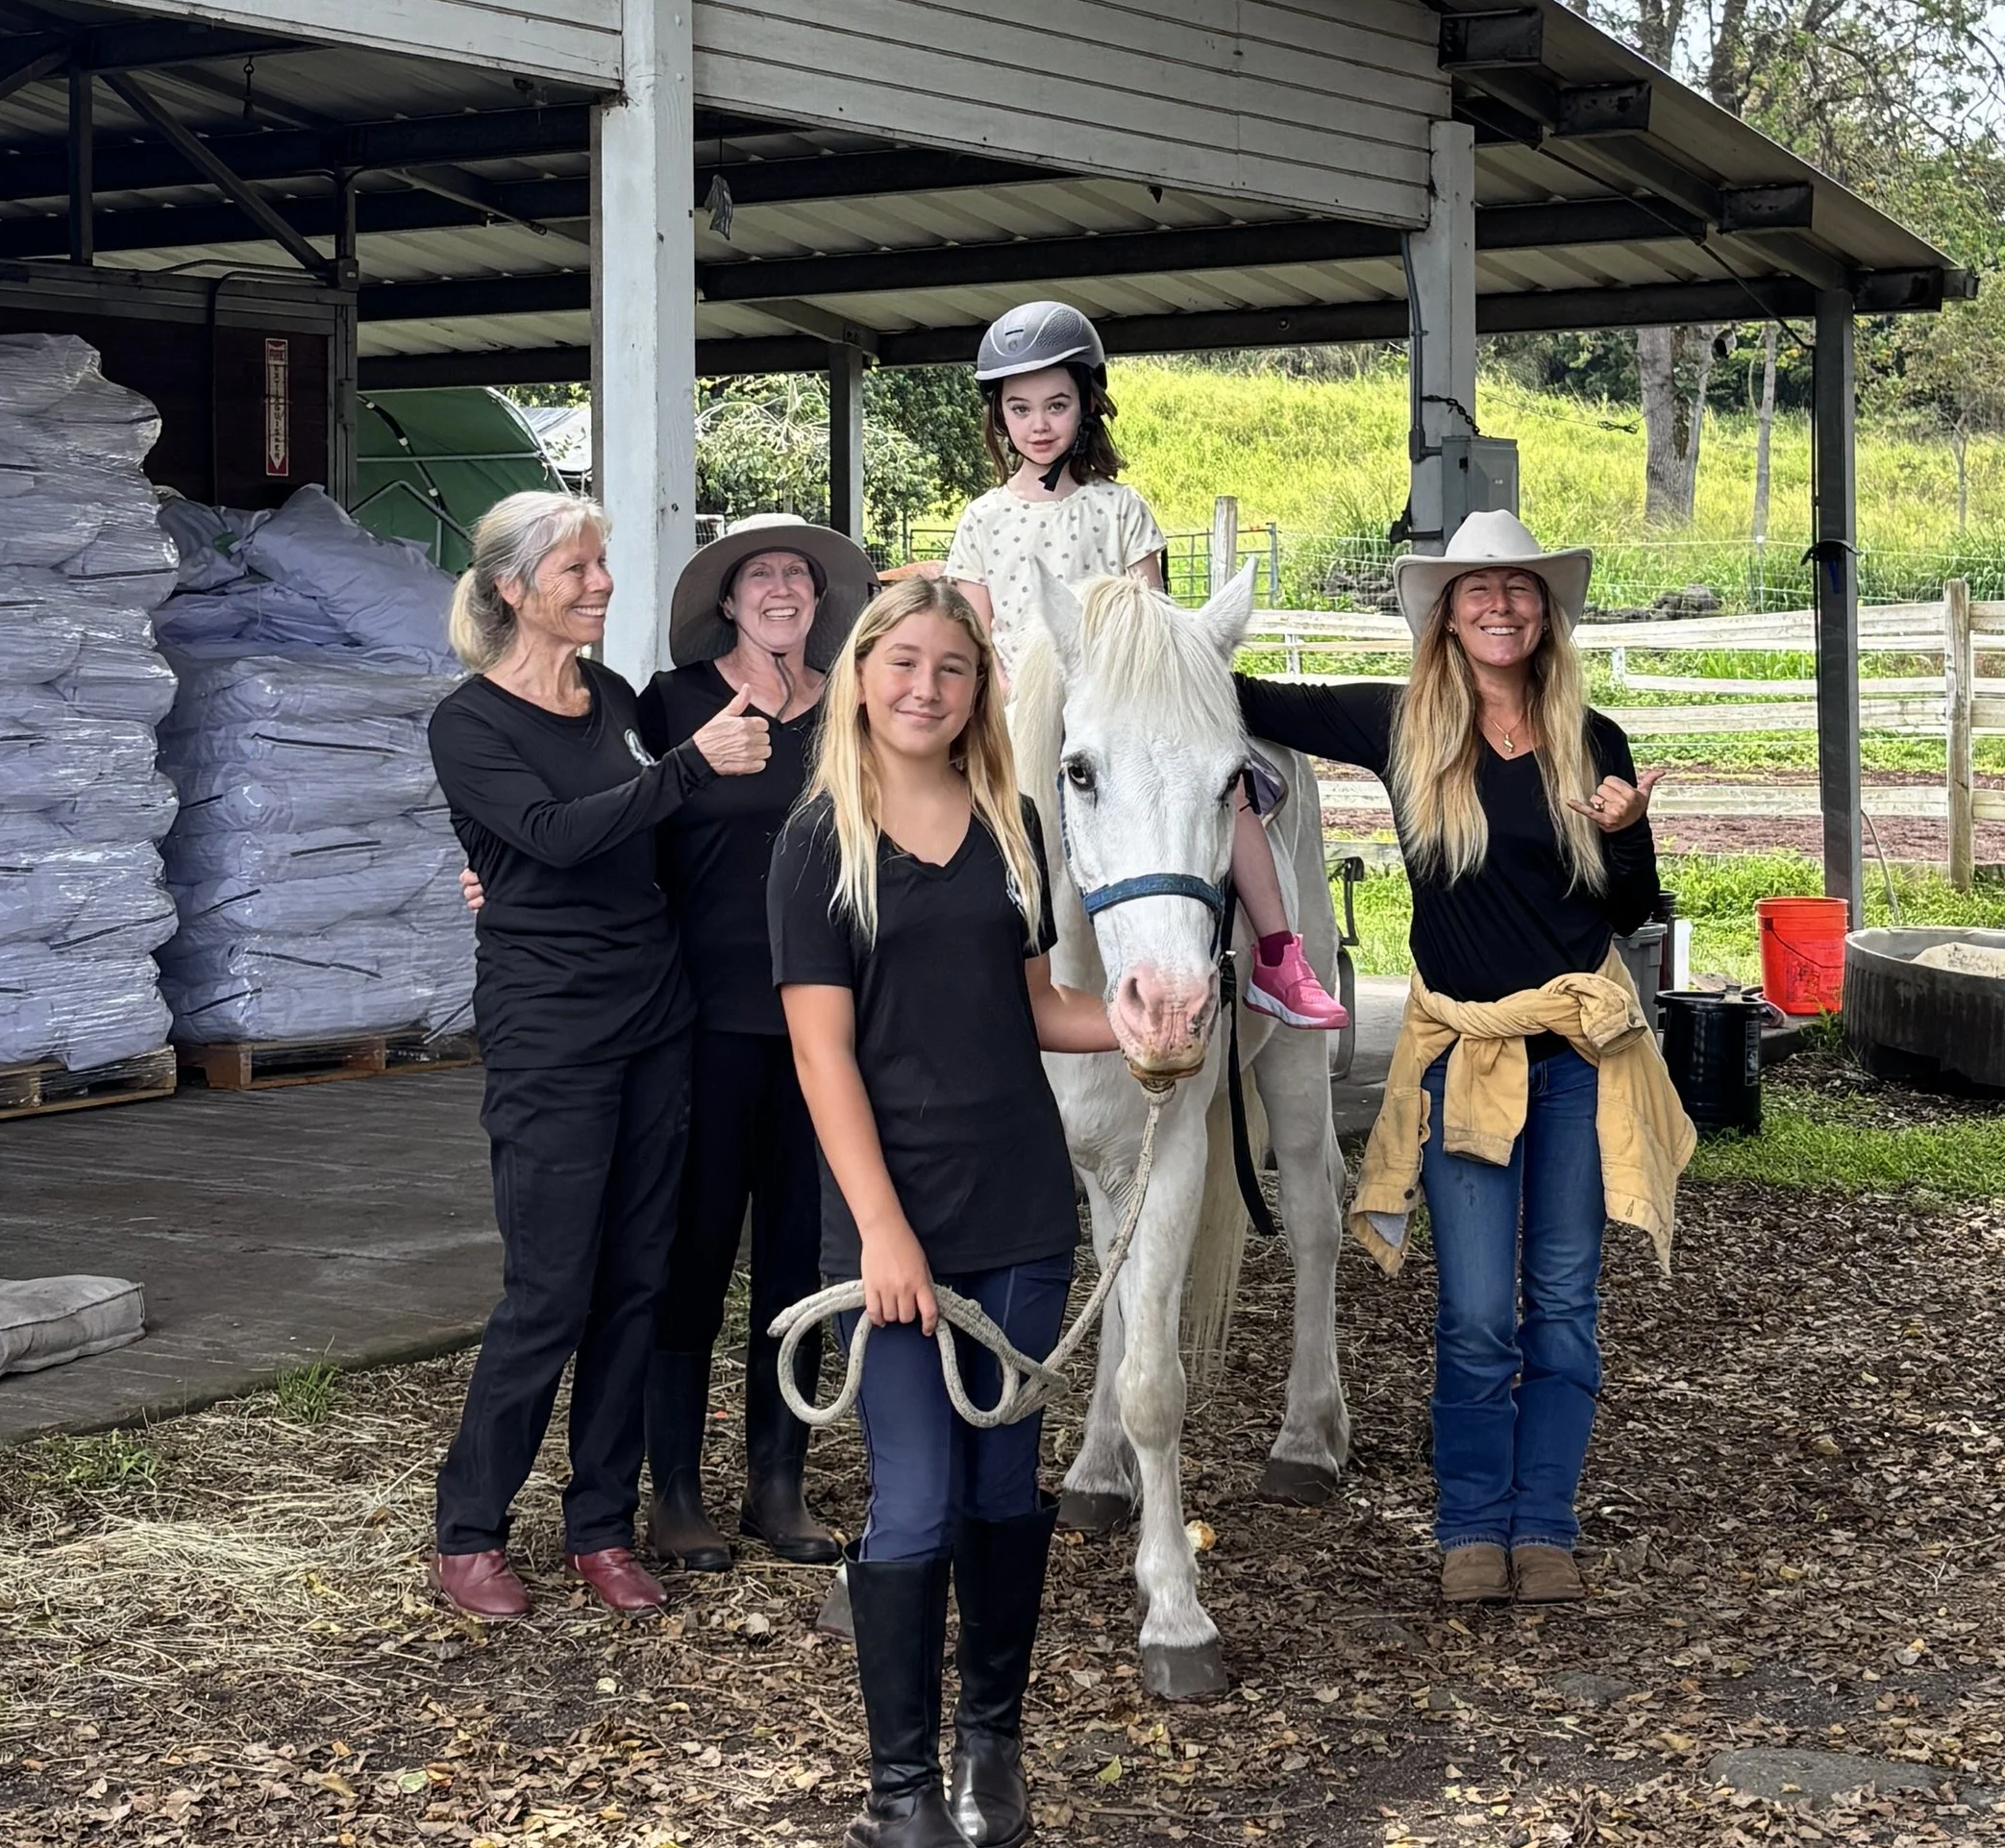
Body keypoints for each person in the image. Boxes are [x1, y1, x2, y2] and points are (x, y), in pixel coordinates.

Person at [1231, 508, 1695, 1608]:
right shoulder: (1400, 726)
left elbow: (1631, 909)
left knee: (1563, 1301)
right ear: (1444, 614)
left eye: (1519, 587)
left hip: (1576, 1052)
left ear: (1545, 612)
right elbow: (1247, 697)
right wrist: (1139, 624)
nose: (1499, 604)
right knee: (1479, 1311)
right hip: (1461, 1056)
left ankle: (1546, 1525)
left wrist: (1625, 832)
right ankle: (1472, 1525)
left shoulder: (1594, 739)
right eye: (1477, 588)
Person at [772, 573, 1121, 1848]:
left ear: (981, 693)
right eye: (904, 662)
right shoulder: (818, 841)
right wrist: (881, 1233)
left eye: (953, 669)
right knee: (914, 1493)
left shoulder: (1011, 823)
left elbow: (1033, 1005)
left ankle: (992, 1746)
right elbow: (821, 1056)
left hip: (1018, 1208)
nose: (926, 688)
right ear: (862, 674)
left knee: (1002, 1488)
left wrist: (1145, 1025)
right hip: (892, 1227)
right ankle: (897, 1799)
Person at [425, 492, 776, 1623]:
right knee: (550, 1291)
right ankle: (469, 1532)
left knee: (637, 1283)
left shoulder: (612, 697)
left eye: (600, 563)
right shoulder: (468, 724)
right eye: (576, 568)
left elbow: (642, 837)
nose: (601, 583)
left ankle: (599, 1526)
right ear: (512, 588)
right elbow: (554, 836)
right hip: (552, 1034)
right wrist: (689, 766)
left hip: (654, 1019)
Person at [943, 298, 1346, 1031]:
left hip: (1121, 706)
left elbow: (1152, 623)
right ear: (999, 415)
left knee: (1230, 796)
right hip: (1018, 715)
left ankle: (1279, 956)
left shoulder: (1121, 508)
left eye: (1057, 404)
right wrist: (1006, 707)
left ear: (1086, 407)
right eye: (1020, 408)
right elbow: (975, 636)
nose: (1038, 424)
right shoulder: (981, 519)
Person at [638, 512, 875, 1572]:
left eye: (798, 576)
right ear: (727, 601)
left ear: (820, 601)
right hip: (704, 1022)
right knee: (691, 1253)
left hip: (822, 1025)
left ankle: (778, 1484)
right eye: (759, 575)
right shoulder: (674, 703)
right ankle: (674, 1490)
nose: (781, 589)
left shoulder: (853, 712)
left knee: (797, 1254)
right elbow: (621, 823)